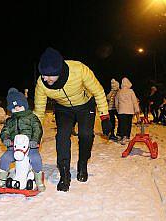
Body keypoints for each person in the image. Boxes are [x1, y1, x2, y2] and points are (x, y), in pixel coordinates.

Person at [33, 47, 111, 192]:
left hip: (85, 106)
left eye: (50, 75)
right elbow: (39, 112)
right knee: (62, 137)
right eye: (43, 75)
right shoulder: (41, 84)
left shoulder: (79, 70)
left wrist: (105, 117)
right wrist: (34, 131)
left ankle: (83, 163)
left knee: (85, 134)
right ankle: (64, 173)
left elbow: (98, 91)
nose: (46, 79)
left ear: (59, 70)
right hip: (63, 109)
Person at [0, 88, 45, 192]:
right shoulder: (10, 121)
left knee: (35, 158)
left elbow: (37, 129)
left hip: (30, 146)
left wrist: (35, 140)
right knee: (5, 158)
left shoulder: (32, 117)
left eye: (19, 106)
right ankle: (2, 179)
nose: (17, 108)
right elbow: (5, 131)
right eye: (14, 107)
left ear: (24, 105)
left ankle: (38, 180)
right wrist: (6, 139)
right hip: (14, 147)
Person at [115, 77, 140, 145]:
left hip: (121, 111)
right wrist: (137, 109)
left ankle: (123, 137)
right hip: (130, 111)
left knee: (122, 124)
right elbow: (134, 101)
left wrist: (118, 110)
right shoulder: (131, 91)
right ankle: (127, 137)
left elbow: (116, 102)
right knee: (128, 124)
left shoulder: (119, 92)